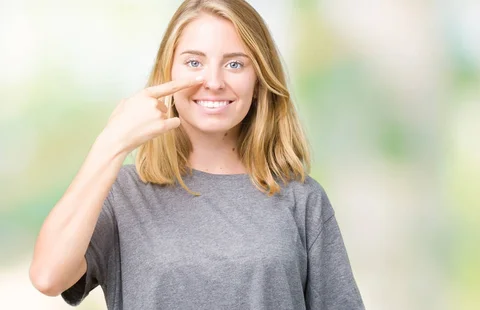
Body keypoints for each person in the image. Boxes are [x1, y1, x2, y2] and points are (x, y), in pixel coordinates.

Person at [29, 0, 365, 309]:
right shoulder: (122, 195)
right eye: (194, 62)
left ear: (259, 80)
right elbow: (47, 277)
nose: (214, 81)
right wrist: (112, 142)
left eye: (235, 64)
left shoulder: (302, 199)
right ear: (168, 72)